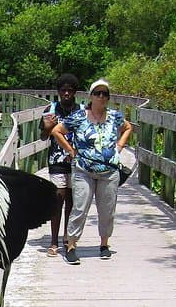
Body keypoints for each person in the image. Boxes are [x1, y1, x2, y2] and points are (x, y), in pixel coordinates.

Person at [51, 78, 133, 264]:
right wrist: (71, 151)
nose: (101, 97)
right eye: (98, 93)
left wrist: (120, 145)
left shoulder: (114, 116)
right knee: (79, 208)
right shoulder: (79, 116)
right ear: (91, 96)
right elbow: (57, 131)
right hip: (83, 170)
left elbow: (128, 128)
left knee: (107, 211)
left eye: (105, 94)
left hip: (109, 171)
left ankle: (104, 245)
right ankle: (71, 246)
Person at [38, 73, 83, 257]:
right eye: (63, 90)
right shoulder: (51, 109)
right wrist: (49, 127)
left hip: (77, 161)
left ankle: (67, 238)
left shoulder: (82, 110)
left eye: (69, 90)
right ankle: (54, 241)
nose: (66, 93)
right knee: (58, 199)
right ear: (58, 92)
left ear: (74, 92)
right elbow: (42, 136)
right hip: (56, 160)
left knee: (72, 201)